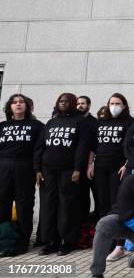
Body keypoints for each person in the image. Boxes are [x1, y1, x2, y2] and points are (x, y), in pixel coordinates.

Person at [34, 93, 91, 256]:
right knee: (49, 205)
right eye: (60, 100)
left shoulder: (80, 122)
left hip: (69, 171)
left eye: (66, 101)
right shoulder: (51, 122)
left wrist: (77, 169)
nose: (63, 103)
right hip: (48, 171)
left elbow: (82, 147)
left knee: (67, 205)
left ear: (72, 103)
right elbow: (39, 147)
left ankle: (67, 241)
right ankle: (52, 241)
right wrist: (37, 169)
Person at [89, 93, 134, 261]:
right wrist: (90, 164)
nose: (115, 106)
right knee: (102, 203)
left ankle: (119, 245)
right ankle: (103, 241)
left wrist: (127, 164)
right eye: (112, 103)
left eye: (118, 103)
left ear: (124, 105)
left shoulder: (129, 122)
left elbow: (131, 146)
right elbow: (93, 146)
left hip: (119, 168)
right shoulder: (101, 122)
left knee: (117, 205)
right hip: (100, 167)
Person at [0, 94, 44, 254]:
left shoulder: (37, 126)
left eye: (21, 102)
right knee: (2, 204)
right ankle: (3, 239)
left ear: (27, 106)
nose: (18, 104)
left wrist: (38, 169)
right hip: (3, 166)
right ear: (10, 106)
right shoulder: (2, 126)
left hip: (25, 167)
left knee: (24, 206)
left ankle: (22, 241)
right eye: (14, 102)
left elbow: (40, 151)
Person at [77, 95, 98, 221]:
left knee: (90, 196)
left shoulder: (94, 122)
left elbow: (95, 145)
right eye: (78, 103)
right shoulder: (73, 121)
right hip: (76, 165)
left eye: (83, 103)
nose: (80, 105)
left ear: (89, 106)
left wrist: (91, 164)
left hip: (90, 165)